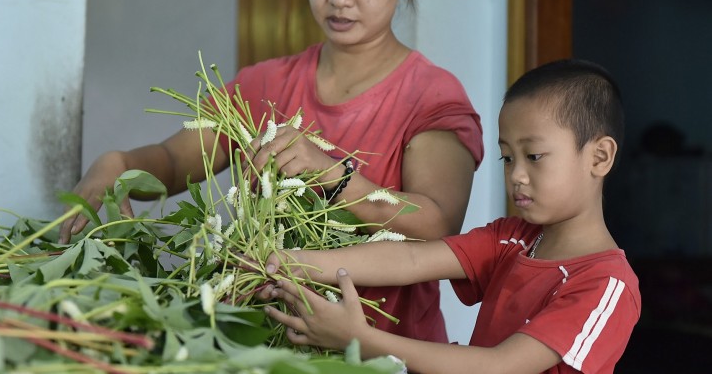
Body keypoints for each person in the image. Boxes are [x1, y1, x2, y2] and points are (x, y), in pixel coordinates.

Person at [59, 0, 484, 343]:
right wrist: (120, 165)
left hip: (381, 352)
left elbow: (437, 223)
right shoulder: (264, 85)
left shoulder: (430, 96)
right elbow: (175, 159)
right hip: (258, 343)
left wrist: (333, 174)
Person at [260, 59, 641, 374]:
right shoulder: (512, 238)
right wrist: (287, 263)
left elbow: (502, 365)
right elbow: (411, 258)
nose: (516, 175)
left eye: (534, 156)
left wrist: (361, 340)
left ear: (599, 157)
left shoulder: (608, 284)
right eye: (507, 158)